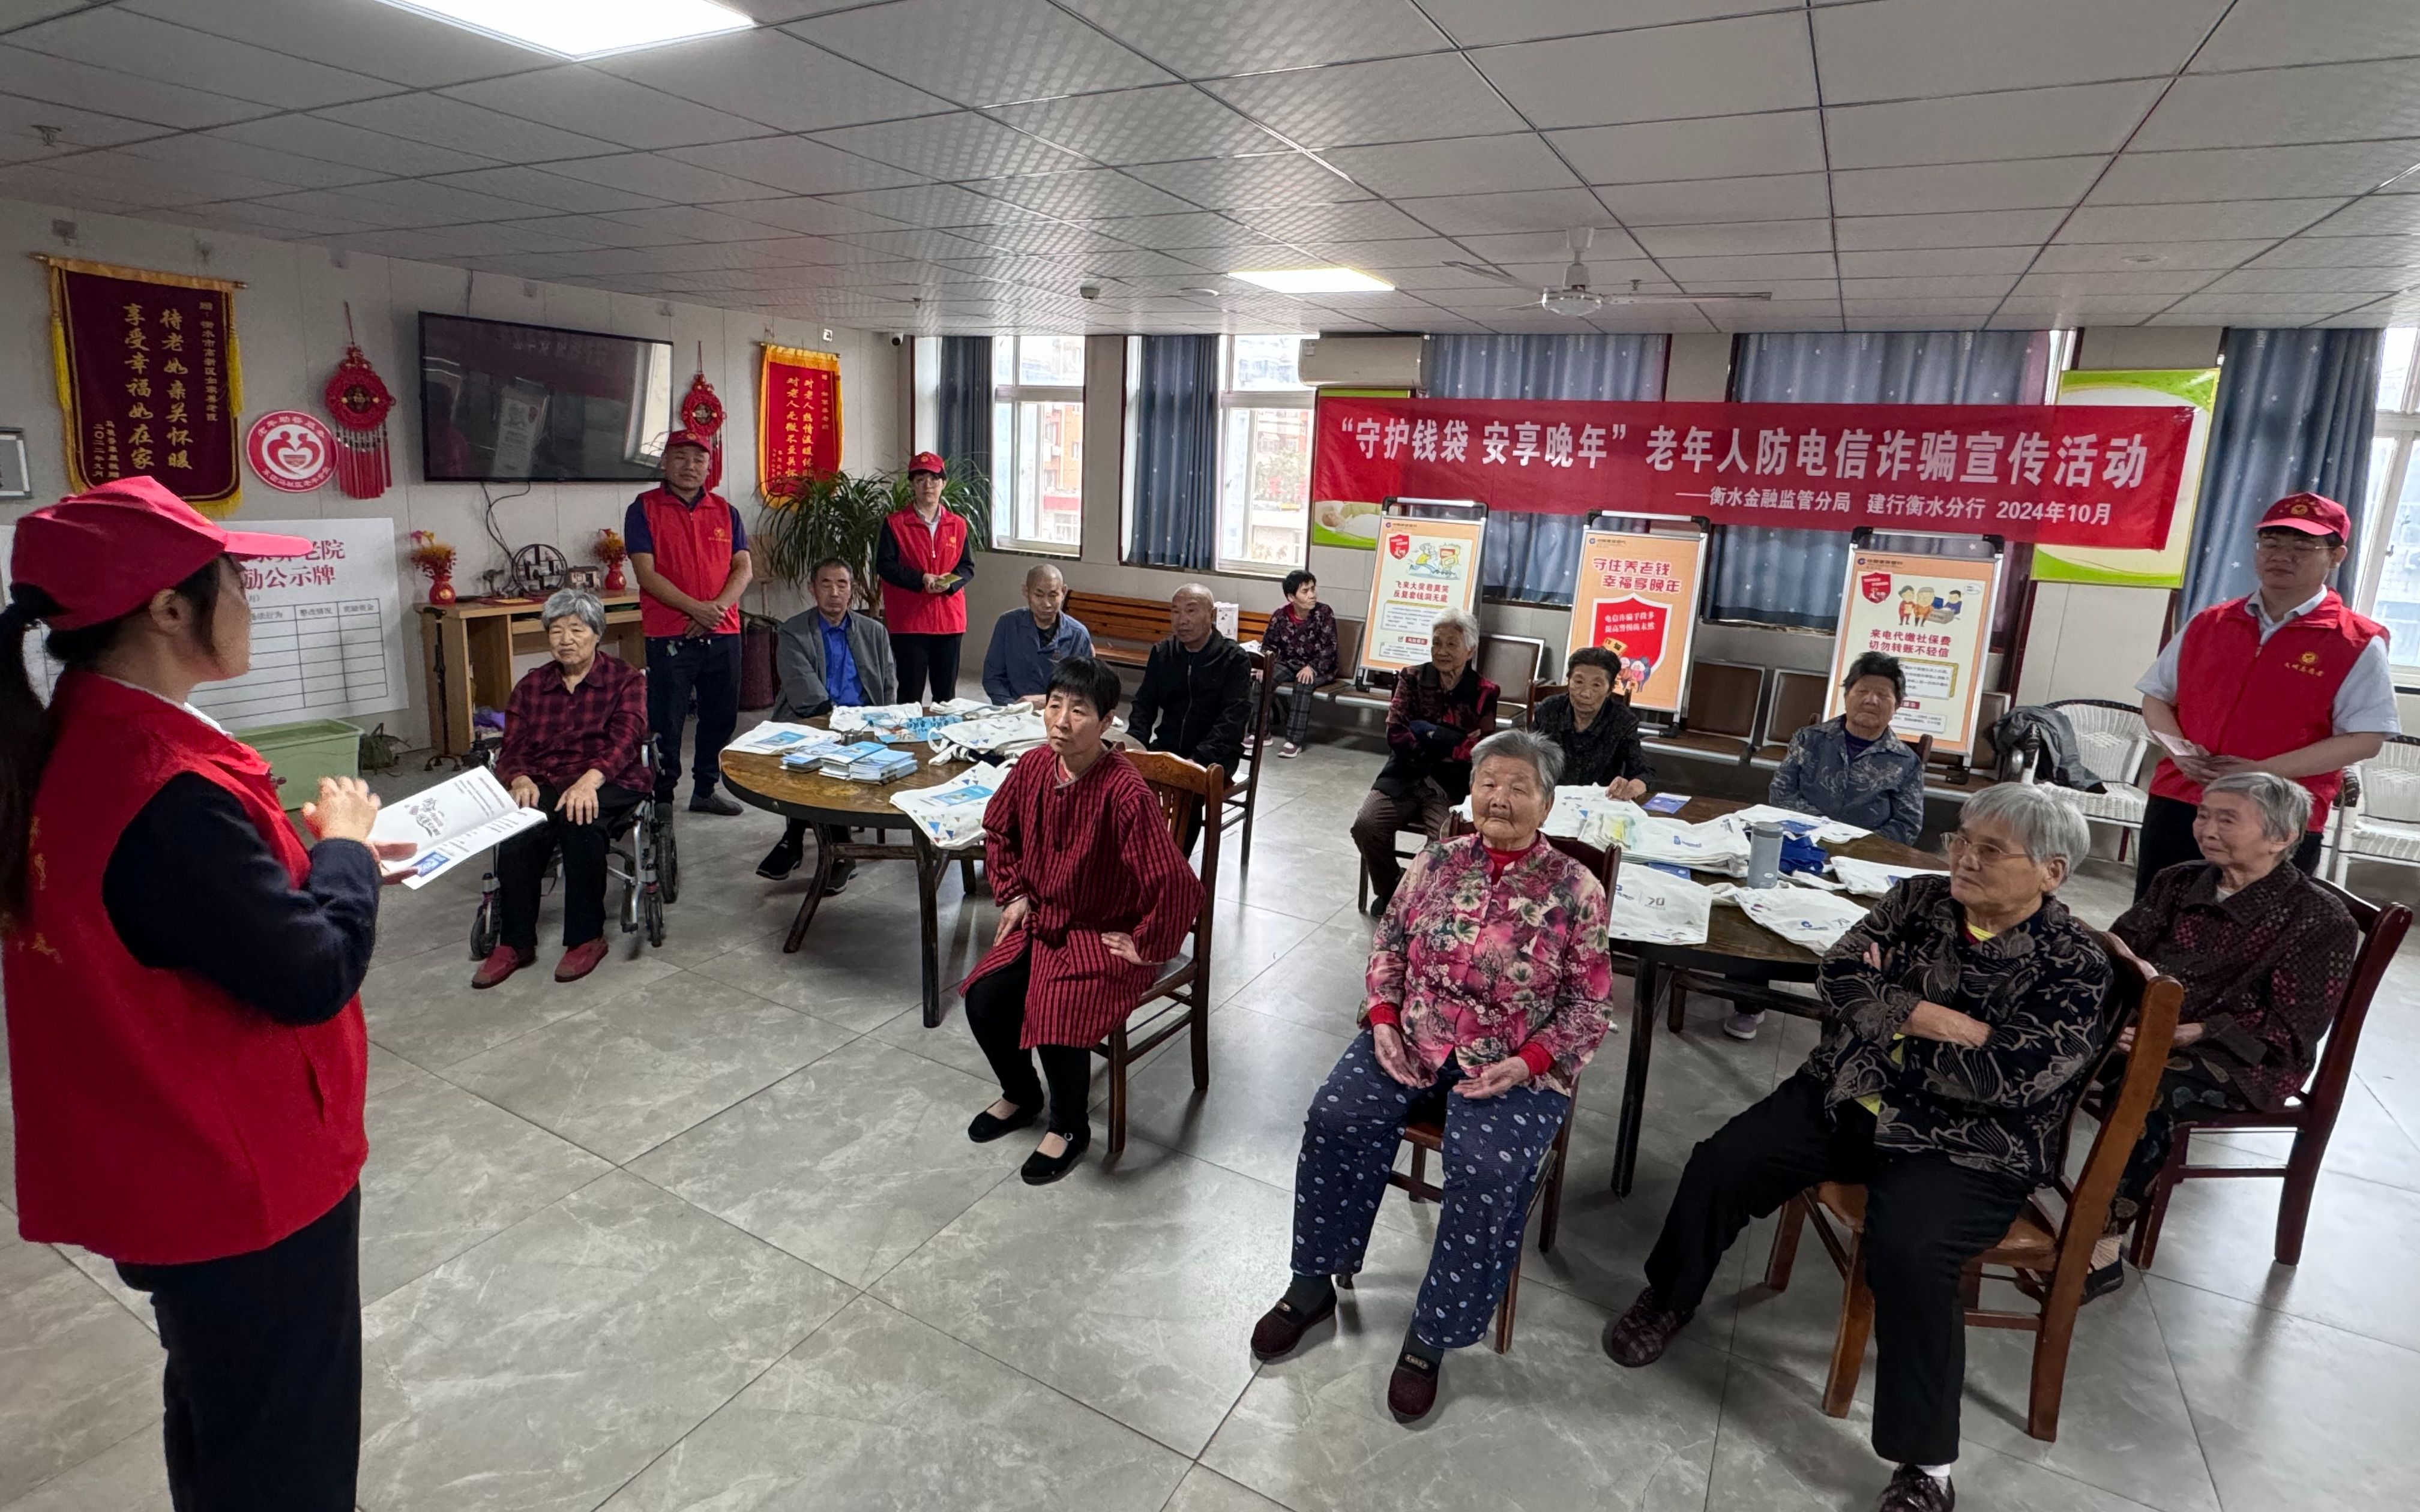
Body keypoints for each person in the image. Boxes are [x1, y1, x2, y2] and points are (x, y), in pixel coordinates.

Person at [1, 477, 415, 1511]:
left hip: (162, 1158)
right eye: (234, 581)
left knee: (223, 1415)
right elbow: (312, 973)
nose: (250, 601)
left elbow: (193, 921)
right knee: (286, 1455)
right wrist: (345, 852)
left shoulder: (75, 742)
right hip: (239, 1184)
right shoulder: (161, 786)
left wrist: (323, 864)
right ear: (167, 609)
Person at [1604, 784, 2110, 1512]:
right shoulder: (1918, 900)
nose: (1964, 858)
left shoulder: (2073, 963)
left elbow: (2010, 1078)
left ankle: (1926, 1467)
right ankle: (1669, 1296)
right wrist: (1931, 1018)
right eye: (1961, 840)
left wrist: (1887, 1018)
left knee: (1911, 1252)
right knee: (1723, 1161)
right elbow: (1837, 975)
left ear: (2051, 872)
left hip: (1966, 1145)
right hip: (1846, 1095)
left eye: (1990, 850)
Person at [1250, 731, 1613, 1422]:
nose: (1499, 798)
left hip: (1512, 1062)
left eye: (1518, 787)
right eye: (1488, 783)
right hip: (1414, 1036)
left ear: (1547, 804)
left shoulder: (1576, 890)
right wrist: (1384, 1018)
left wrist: (1530, 1062)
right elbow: (1388, 945)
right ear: (1470, 792)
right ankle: (1311, 1284)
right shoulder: (1437, 862)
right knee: (1336, 1116)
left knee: (1487, 1168)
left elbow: (1590, 1006)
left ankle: (1432, 1333)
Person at [2090, 772, 2358, 1299]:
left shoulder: (2319, 919)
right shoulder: (2179, 881)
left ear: (2282, 837)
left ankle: (2101, 1242)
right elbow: (2120, 950)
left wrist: (2191, 1032)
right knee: (2048, 1041)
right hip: (2151, 1026)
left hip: (2245, 1057)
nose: (2206, 829)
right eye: (2203, 815)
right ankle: (2005, 1188)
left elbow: (2294, 1026)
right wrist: (2125, 1017)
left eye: (2227, 819)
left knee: (2150, 1086)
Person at [959, 656, 1204, 1185]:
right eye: (1054, 706)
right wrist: (1014, 893)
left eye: (1079, 711)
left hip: (1100, 931)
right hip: (1043, 919)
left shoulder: (1125, 792)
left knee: (1057, 1010)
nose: (1062, 722)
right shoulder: (1033, 767)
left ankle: (1070, 1127)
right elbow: (998, 830)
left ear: (1108, 721)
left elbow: (1177, 883)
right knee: (984, 997)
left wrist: (1148, 943)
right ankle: (1022, 1093)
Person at [2134, 491, 2395, 901]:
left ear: (2336, 555)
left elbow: (2366, 738)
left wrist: (2262, 773)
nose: (2282, 556)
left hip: (2276, 817)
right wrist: (2181, 753)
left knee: (2255, 930)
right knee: (2154, 917)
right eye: (2271, 543)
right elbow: (2156, 697)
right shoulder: (2211, 622)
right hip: (2184, 800)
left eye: (2302, 547)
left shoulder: (2356, 641)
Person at [1742, 651, 1930, 1041]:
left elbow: (1908, 825)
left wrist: (1857, 848)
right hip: (1799, 849)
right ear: (1846, 695)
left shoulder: (1905, 762)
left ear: (1897, 705)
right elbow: (1781, 793)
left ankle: (1853, 1009)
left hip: (1863, 864)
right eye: (1863, 691)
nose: (1871, 700)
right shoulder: (1810, 739)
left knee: (1870, 930)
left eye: (1883, 695)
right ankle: (1749, 1000)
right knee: (1756, 907)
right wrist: (1821, 833)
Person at [475, 587, 652, 988]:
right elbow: (513, 747)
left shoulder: (624, 680)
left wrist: (590, 780)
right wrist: (519, 778)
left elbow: (627, 739)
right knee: (520, 830)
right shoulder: (532, 686)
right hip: (548, 778)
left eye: (577, 629)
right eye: (556, 631)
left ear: (597, 633)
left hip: (612, 777)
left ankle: (586, 938)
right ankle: (515, 942)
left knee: (580, 822)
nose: (566, 640)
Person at [627, 428, 751, 817]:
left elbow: (743, 568)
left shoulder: (726, 511)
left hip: (723, 631)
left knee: (721, 717)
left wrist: (715, 610)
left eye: (699, 459)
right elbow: (646, 574)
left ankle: (705, 789)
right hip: (670, 633)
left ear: (709, 466)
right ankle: (662, 798)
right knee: (667, 720)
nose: (690, 466)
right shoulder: (643, 508)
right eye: (680, 457)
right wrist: (696, 609)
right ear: (665, 462)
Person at [757, 559, 898, 890]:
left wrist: (882, 721)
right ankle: (834, 848)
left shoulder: (874, 631)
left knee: (840, 756)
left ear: (852, 590)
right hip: (811, 717)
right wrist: (834, 723)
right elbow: (802, 687)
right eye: (826, 584)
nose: (834, 592)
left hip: (863, 722)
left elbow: (888, 683)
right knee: (815, 756)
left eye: (842, 584)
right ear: (813, 589)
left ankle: (801, 843)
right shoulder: (794, 631)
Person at [1351, 609, 1500, 916]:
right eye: (1436, 643)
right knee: (1366, 826)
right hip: (1403, 774)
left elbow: (1480, 750)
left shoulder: (1484, 692)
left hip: (1451, 786)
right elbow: (1395, 732)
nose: (1441, 651)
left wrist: (1424, 730)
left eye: (1451, 644)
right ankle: (1392, 890)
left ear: (1470, 650)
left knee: (1445, 842)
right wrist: (1452, 740)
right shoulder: (1412, 678)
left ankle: (1424, 902)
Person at [1127, 583, 1256, 778]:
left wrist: (1199, 759)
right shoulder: (1164, 652)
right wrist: (1136, 744)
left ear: (1211, 615)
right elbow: (1144, 704)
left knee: (1182, 787)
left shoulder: (1233, 659)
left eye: (1191, 611)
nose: (1182, 620)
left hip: (1216, 758)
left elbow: (1234, 719)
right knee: (1125, 780)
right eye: (1176, 612)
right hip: (1167, 748)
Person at [877, 451, 974, 701]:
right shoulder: (895, 523)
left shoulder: (958, 524)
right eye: (920, 480)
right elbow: (885, 566)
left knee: (946, 696)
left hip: (949, 620)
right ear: (912, 485)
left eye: (933, 479)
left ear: (944, 483)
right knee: (910, 693)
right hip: (910, 620)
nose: (927, 486)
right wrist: (921, 579)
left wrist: (949, 583)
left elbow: (967, 567)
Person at [1531, 644, 1654, 800]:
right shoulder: (1548, 710)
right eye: (1578, 682)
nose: (1585, 694)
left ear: (1609, 690)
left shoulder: (1622, 720)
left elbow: (1643, 772)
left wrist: (1630, 787)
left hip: (1600, 803)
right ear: (1569, 681)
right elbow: (1528, 758)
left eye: (1596, 685)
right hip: (1549, 800)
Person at [980, 561, 1092, 706]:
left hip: (1060, 711)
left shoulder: (1078, 634)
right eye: (1039, 595)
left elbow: (1084, 688)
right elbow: (993, 677)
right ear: (1026, 592)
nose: (1047, 604)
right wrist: (1012, 707)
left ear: (1063, 593)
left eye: (1053, 595)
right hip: (1012, 708)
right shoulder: (1008, 624)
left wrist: (1048, 701)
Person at [1260, 568, 1339, 758]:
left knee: (1304, 682)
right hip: (1288, 663)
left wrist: (1312, 667)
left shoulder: (1324, 613)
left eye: (1313, 589)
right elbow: (1269, 646)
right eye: (1305, 591)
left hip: (1319, 667)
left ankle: (1293, 741)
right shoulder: (1280, 616)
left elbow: (1330, 648)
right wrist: (1265, 666)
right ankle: (1260, 733)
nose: (1312, 595)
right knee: (1262, 679)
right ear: (1291, 597)